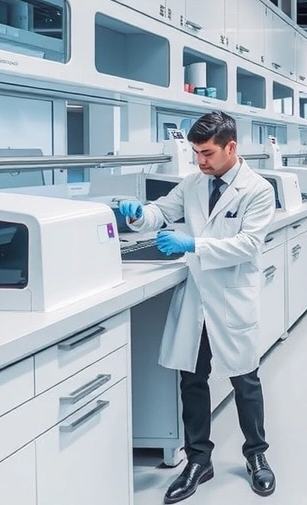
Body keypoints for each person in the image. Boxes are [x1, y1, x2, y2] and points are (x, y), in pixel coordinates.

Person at [118, 112, 278, 503]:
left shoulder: (257, 189)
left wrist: (193, 246)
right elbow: (162, 211)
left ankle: (257, 456)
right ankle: (198, 460)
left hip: (231, 297)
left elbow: (248, 245)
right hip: (197, 298)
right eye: (195, 153)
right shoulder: (193, 183)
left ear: (231, 147)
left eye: (206, 153)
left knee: (245, 379)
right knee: (192, 379)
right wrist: (140, 214)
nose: (200, 161)